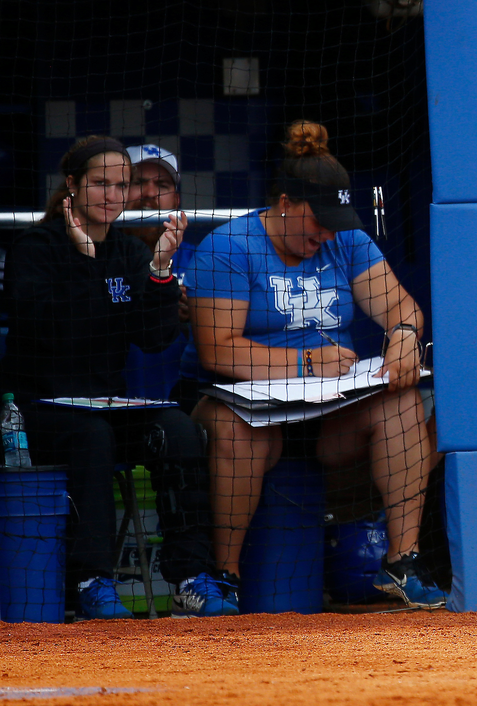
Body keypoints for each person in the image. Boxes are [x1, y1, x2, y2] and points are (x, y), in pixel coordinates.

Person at [180, 120, 442, 609]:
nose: (325, 232)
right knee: (241, 432)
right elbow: (218, 350)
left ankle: (401, 560)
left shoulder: (345, 240)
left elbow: (402, 308)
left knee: (404, 401)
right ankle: (225, 576)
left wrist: (405, 335)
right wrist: (304, 361)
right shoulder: (229, 246)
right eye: (315, 219)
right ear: (284, 203)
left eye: (333, 221)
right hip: (238, 407)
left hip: (327, 414)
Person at [3, 135, 233, 619]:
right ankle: (91, 580)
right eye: (100, 184)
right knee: (91, 437)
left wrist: (161, 270)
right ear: (72, 186)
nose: (113, 196)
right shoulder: (34, 247)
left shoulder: (128, 254)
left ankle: (190, 577)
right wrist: (85, 264)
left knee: (178, 430)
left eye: (121, 186)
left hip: (108, 407)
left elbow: (153, 338)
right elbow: (50, 333)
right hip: (39, 413)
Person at [122, 144, 196, 401]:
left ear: (176, 200)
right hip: (106, 398)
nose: (149, 194)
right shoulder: (96, 253)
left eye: (162, 185)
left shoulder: (202, 258)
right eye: (137, 182)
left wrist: (196, 314)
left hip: (177, 402)